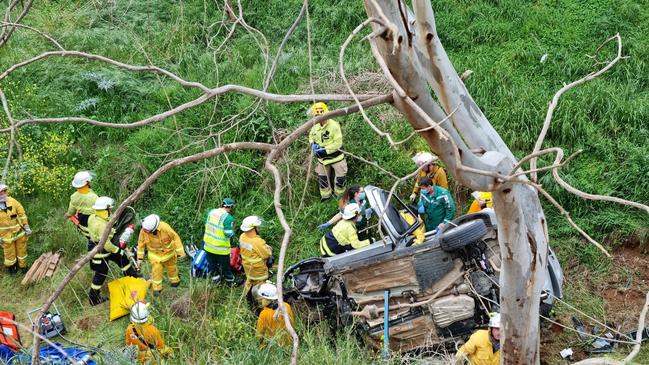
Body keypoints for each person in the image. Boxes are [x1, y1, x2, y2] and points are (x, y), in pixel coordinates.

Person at [87, 196, 139, 305]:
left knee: (123, 260)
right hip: (100, 250)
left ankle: (134, 278)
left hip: (102, 245)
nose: (111, 211)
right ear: (104, 210)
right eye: (109, 209)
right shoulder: (102, 225)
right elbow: (107, 245)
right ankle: (93, 298)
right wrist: (118, 250)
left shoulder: (92, 217)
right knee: (101, 274)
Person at [308, 102, 347, 201]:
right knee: (323, 180)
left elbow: (338, 143)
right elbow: (311, 137)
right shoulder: (315, 126)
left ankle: (340, 196)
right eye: (316, 115)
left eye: (320, 115)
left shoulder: (334, 126)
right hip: (322, 160)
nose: (319, 117)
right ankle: (325, 197)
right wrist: (312, 144)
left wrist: (325, 150)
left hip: (337, 158)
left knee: (340, 179)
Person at [137, 214, 185, 293]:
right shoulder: (144, 230)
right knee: (156, 271)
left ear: (154, 229)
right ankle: (157, 288)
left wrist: (180, 252)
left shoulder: (165, 227)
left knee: (172, 268)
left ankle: (175, 281)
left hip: (169, 254)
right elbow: (141, 243)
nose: (145, 232)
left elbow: (175, 237)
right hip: (155, 256)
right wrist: (139, 258)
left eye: (147, 231)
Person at [202, 198, 242, 286]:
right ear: (230, 207)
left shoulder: (211, 212)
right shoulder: (228, 217)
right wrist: (234, 234)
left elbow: (206, 223)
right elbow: (228, 233)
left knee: (212, 265)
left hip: (208, 245)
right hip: (221, 249)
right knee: (225, 266)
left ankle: (216, 281)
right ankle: (230, 281)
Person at [239, 216, 273, 308]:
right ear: (253, 229)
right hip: (258, 270)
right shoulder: (257, 241)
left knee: (249, 281)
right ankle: (262, 304)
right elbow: (266, 254)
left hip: (247, 267)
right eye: (257, 227)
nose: (259, 228)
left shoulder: (242, 236)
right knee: (261, 286)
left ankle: (247, 296)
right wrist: (268, 248)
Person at [0, 184, 31, 274]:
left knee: (22, 250)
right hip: (5, 237)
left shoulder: (12, 201)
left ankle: (23, 266)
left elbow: (22, 214)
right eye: (0, 192)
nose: (2, 194)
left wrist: (26, 226)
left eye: (3, 192)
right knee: (9, 253)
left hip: (19, 233)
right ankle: (12, 268)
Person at [256, 282, 294, 348]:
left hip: (274, 347)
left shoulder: (264, 314)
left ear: (265, 299)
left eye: (261, 298)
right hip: (289, 344)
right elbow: (292, 323)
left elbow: (259, 334)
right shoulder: (286, 306)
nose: (260, 300)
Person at [65, 171, 98, 240]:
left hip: (83, 226)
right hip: (94, 227)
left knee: (75, 214)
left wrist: (65, 217)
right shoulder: (94, 197)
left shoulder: (74, 197)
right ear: (87, 182)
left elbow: (71, 212)